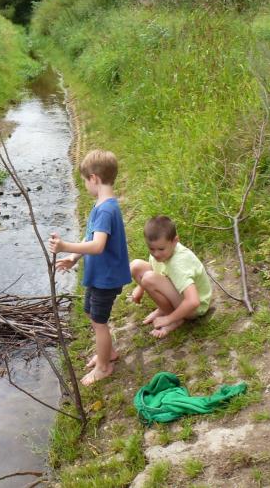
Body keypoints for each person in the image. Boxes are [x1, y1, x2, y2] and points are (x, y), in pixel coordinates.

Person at [49, 150, 131, 386]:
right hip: (98, 276)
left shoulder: (105, 210)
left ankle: (104, 367)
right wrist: (74, 257)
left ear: (94, 178)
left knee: (99, 322)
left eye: (85, 181)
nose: (85, 185)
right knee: (90, 313)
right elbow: (89, 238)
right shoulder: (101, 205)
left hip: (106, 278)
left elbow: (97, 245)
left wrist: (64, 245)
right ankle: (108, 352)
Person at [130, 215, 212, 339]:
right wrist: (140, 288)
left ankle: (174, 319)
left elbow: (193, 301)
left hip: (194, 308)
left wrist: (169, 319)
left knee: (148, 279)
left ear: (175, 241)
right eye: (151, 248)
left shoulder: (179, 264)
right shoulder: (162, 252)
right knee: (135, 266)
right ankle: (163, 309)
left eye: (160, 249)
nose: (156, 253)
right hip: (176, 290)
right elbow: (155, 268)